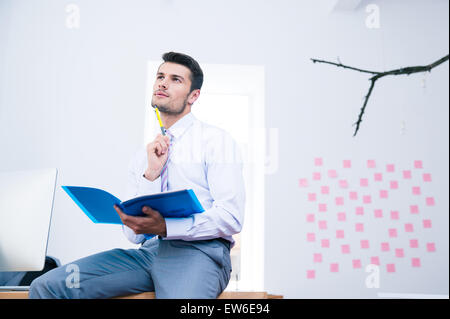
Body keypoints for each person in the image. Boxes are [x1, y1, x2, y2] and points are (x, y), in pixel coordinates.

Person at [29, 52, 246, 299]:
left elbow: (231, 218)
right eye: (160, 76)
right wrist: (150, 175)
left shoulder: (216, 141)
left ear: (193, 96)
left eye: (176, 79)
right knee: (46, 287)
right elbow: (133, 236)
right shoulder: (143, 158)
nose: (163, 83)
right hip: (148, 253)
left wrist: (167, 226)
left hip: (199, 253)